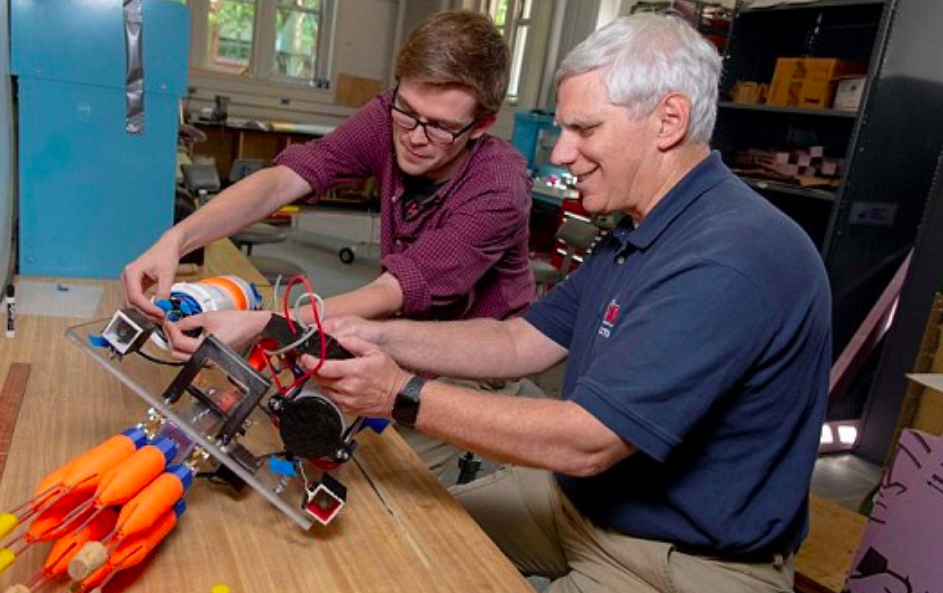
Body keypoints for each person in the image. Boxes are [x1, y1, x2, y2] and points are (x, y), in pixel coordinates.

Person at [303, 13, 831, 593]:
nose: (560, 154)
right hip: (578, 504)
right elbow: (519, 340)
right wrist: (377, 334)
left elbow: (588, 440)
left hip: (678, 559)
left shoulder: (729, 257)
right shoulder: (642, 225)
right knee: (390, 542)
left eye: (584, 130)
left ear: (669, 122)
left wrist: (397, 392)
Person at [122, 10, 538, 484]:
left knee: (381, 473)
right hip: (396, 328)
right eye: (406, 111)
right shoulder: (389, 115)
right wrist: (177, 238)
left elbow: (395, 288)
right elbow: (284, 181)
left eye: (440, 127)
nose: (415, 137)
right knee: (303, 419)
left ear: (481, 125)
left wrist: (268, 325)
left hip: (472, 356)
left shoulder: (500, 187)